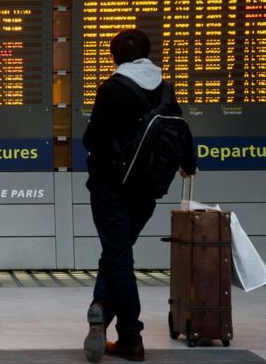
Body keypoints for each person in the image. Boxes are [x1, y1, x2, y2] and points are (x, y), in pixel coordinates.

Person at [82, 29, 197, 362]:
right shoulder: (165, 89)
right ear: (147, 54)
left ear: (114, 56)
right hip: (146, 190)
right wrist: (188, 164)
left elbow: (92, 139)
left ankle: (131, 338)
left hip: (110, 189)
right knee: (116, 253)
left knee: (118, 256)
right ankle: (100, 306)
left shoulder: (111, 89)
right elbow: (181, 131)